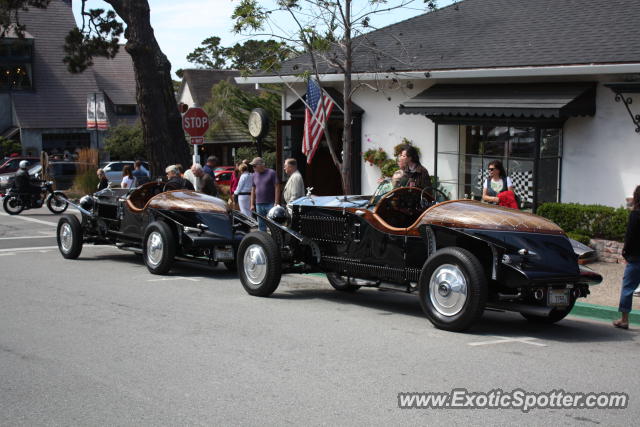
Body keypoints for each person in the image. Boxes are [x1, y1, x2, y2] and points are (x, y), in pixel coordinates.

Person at [613, 185, 640, 329]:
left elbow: (630, 236)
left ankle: (624, 320)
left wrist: (625, 252)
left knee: (628, 288)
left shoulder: (635, 215)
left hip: (636, 256)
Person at [250, 157, 281, 231]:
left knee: (273, 224)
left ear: (261, 165)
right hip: (258, 204)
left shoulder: (271, 173)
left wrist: (276, 202)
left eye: (254, 166)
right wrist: (252, 204)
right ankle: (263, 241)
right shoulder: (254, 175)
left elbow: (277, 187)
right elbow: (253, 189)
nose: (253, 168)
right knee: (261, 224)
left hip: (270, 203)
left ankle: (274, 241)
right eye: (252, 166)